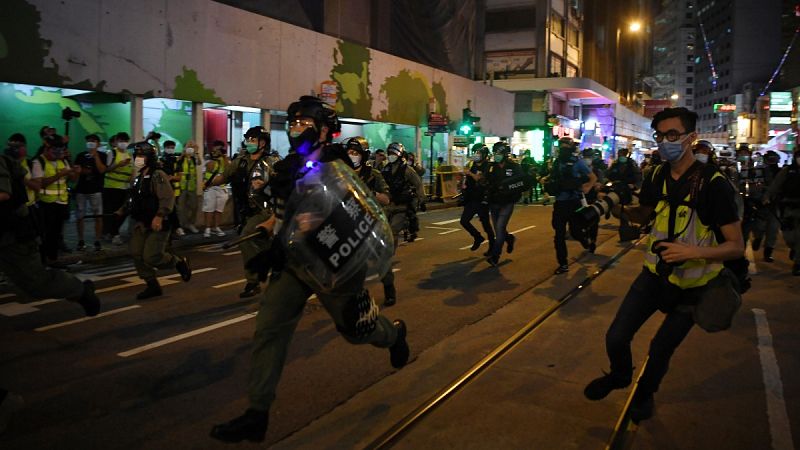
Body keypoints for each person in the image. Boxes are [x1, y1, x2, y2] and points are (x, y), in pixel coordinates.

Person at [210, 96, 409, 443]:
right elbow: (283, 215)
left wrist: (309, 222)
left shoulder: (338, 168)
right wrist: (269, 233)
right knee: (269, 328)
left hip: (334, 265)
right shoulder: (288, 168)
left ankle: (393, 336)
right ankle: (257, 413)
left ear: (322, 131)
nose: (296, 130)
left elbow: (352, 216)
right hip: (293, 264)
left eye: (305, 124)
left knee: (355, 330)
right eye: (293, 124)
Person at [584, 107, 744, 422]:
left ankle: (644, 396)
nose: (665, 142)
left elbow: (736, 246)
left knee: (659, 350)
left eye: (673, 134)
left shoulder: (714, 184)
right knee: (616, 337)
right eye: (660, 136)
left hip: (693, 286)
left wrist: (691, 253)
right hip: (654, 275)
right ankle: (619, 376)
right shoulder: (656, 174)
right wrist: (615, 209)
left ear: (690, 138)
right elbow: (648, 213)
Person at [118, 142, 191, 299]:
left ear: (149, 158)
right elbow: (134, 197)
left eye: (141, 155)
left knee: (152, 256)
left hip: (159, 222)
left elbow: (167, 197)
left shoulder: (158, 175)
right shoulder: (139, 177)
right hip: (141, 222)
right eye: (136, 155)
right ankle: (152, 284)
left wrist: (159, 216)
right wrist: (123, 209)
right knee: (136, 252)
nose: (138, 158)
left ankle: (178, 262)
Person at [209, 127, 274, 298]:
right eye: (248, 139)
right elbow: (224, 176)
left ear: (263, 143)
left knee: (246, 238)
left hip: (266, 211)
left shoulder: (272, 162)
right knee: (263, 244)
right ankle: (270, 266)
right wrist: (210, 181)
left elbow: (283, 185)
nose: (250, 143)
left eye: (254, 140)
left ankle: (253, 281)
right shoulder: (240, 161)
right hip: (246, 211)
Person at [380, 142, 424, 304]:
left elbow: (418, 184)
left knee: (392, 231)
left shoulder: (407, 170)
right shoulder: (383, 169)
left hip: (401, 206)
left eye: (393, 153)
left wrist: (422, 200)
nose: (390, 155)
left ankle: (389, 254)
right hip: (387, 205)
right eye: (389, 153)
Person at [546, 138, 595, 274]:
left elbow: (592, 177)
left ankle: (585, 241)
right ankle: (563, 263)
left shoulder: (577, 162)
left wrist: (587, 188)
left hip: (573, 202)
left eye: (565, 146)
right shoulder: (557, 162)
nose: (562, 148)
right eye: (561, 146)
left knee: (575, 231)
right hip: (560, 203)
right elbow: (553, 178)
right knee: (559, 235)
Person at [30, 134, 79, 266]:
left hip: (61, 202)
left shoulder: (63, 160)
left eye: (60, 151)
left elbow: (73, 179)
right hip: (46, 204)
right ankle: (44, 261)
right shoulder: (38, 162)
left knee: (56, 234)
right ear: (47, 149)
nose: (58, 154)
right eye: (55, 151)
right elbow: (40, 183)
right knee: (45, 234)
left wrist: (76, 171)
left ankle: (53, 259)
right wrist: (59, 175)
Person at [485, 142, 526, 267]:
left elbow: (521, 182)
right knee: (499, 230)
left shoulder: (514, 167)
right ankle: (509, 238)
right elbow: (486, 181)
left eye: (498, 153)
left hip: (507, 202)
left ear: (505, 154)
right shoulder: (492, 167)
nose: (496, 155)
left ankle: (495, 256)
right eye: (495, 153)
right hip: (494, 202)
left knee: (500, 228)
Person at [766, 148, 800, 275]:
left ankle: (798, 263)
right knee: (789, 237)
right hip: (789, 209)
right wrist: (767, 197)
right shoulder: (787, 171)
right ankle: (794, 249)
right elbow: (775, 185)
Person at [72, 134, 107, 252]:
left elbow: (102, 170)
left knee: (98, 216)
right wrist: (79, 171)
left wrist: (95, 155)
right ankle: (81, 240)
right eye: (88, 141)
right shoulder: (80, 156)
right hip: (81, 189)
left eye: (93, 141)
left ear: (98, 143)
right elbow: (75, 174)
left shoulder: (102, 155)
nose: (90, 143)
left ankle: (97, 240)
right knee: (80, 216)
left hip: (96, 190)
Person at [461, 144, 495, 253]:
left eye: (478, 153)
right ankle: (477, 237)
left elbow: (481, 180)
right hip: (471, 198)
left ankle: (492, 246)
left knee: (486, 224)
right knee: (464, 221)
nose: (475, 155)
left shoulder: (488, 166)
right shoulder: (472, 164)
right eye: (474, 152)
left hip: (482, 199)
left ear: (484, 155)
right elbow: (467, 178)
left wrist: (470, 173)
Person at [752, 150, 782, 262]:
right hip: (762, 205)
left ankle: (767, 253)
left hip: (775, 206)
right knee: (759, 227)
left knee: (773, 231)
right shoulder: (760, 171)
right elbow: (756, 186)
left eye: (774, 159)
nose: (772, 161)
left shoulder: (781, 172)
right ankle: (758, 238)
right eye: (770, 159)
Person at [103, 132, 133, 245]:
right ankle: (115, 234)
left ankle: (111, 232)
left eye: (125, 141)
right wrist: (118, 165)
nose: (123, 143)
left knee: (124, 211)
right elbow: (106, 169)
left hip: (125, 188)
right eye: (121, 141)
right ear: (116, 141)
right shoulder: (112, 153)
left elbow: (132, 170)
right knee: (113, 212)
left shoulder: (129, 154)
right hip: (111, 187)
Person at [202, 140, 229, 237]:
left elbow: (228, 169)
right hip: (210, 188)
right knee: (209, 209)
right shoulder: (208, 158)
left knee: (219, 210)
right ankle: (208, 228)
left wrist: (224, 157)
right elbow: (209, 168)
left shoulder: (224, 159)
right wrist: (215, 157)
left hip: (222, 188)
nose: (218, 150)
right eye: (216, 148)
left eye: (220, 148)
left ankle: (216, 227)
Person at [159, 139, 185, 237]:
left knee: (172, 209)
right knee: (168, 209)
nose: (171, 149)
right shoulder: (160, 160)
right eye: (169, 147)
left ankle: (175, 228)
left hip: (174, 191)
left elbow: (179, 177)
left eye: (172, 148)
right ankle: (176, 227)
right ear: (164, 148)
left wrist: (171, 177)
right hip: (162, 190)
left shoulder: (176, 161)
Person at [176, 140, 201, 233]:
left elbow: (199, 162)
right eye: (188, 146)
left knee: (194, 206)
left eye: (191, 147)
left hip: (192, 186)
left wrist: (196, 150)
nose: (190, 148)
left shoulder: (194, 158)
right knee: (181, 208)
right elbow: (178, 162)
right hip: (182, 187)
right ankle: (181, 226)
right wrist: (184, 152)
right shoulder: (181, 158)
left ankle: (191, 224)